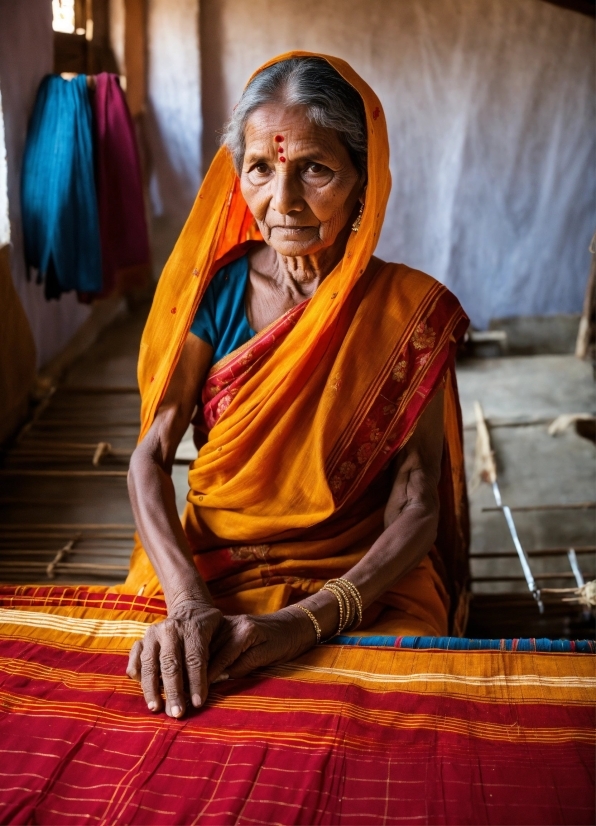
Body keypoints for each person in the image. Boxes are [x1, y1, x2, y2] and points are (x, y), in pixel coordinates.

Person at [124, 52, 469, 719]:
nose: (281, 203)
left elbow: (419, 503)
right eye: (260, 167)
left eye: (314, 168)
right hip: (212, 563)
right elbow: (150, 457)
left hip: (362, 572)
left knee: (383, 705)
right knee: (164, 673)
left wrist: (312, 618)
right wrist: (190, 600)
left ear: (364, 181)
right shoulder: (216, 295)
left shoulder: (408, 315)